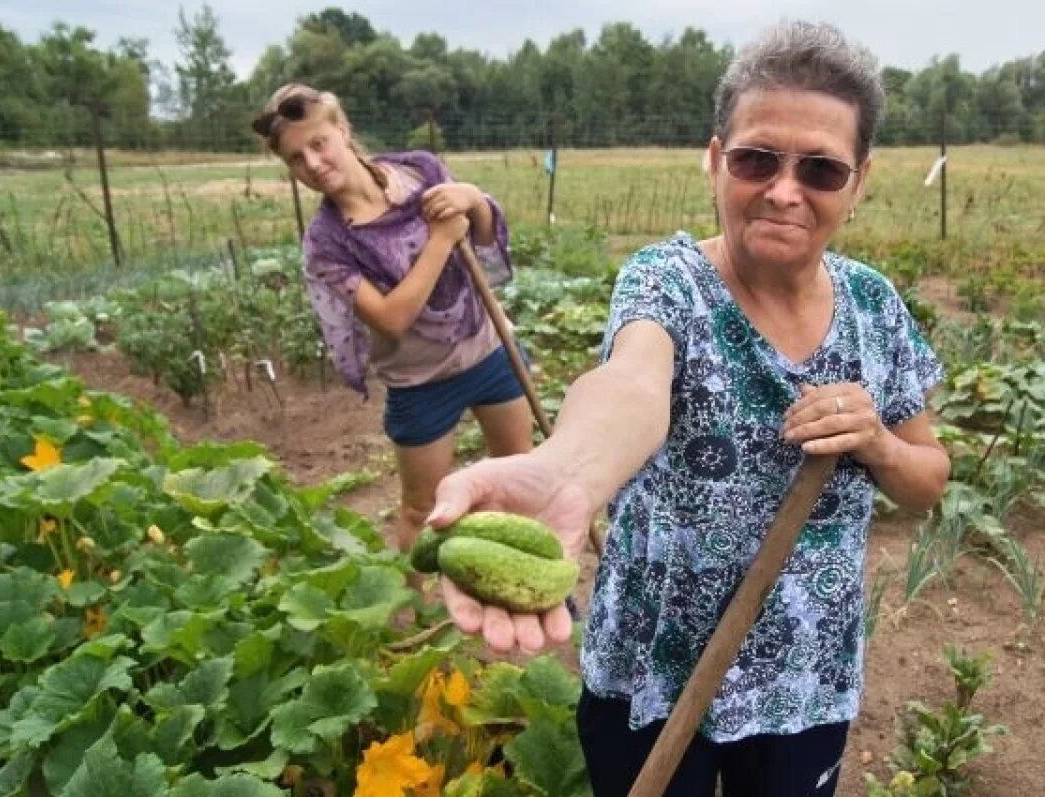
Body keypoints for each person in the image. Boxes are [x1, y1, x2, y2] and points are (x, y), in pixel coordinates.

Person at [427, 20, 950, 797]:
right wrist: (569, 472)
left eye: (821, 169)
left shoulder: (874, 307)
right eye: (756, 159)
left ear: (860, 179)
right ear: (714, 160)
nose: (784, 190)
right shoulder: (668, 282)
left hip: (800, 675)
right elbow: (632, 385)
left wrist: (876, 441)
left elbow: (928, 478)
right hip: (652, 666)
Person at [252, 84, 534, 552]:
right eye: (297, 159)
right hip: (421, 383)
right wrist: (441, 239)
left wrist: (472, 199)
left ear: (342, 131)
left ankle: (523, 577)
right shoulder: (327, 244)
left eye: (319, 143)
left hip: (488, 350)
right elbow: (391, 319)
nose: (314, 164)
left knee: (517, 471)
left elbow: (481, 235)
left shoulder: (420, 170)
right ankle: (415, 597)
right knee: (422, 511)